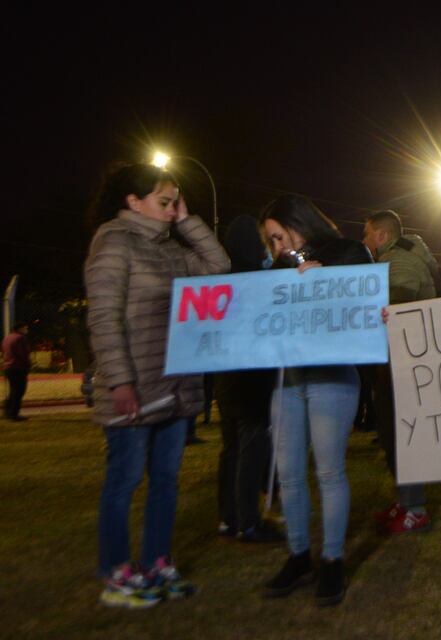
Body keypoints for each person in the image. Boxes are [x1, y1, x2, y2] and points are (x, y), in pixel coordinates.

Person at [85, 162, 230, 608]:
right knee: (124, 480)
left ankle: (156, 562)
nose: (170, 211)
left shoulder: (171, 250)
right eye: (163, 202)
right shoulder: (114, 242)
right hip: (132, 387)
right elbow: (104, 318)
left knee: (166, 480)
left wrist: (187, 219)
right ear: (133, 201)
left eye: (174, 202)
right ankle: (116, 572)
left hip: (174, 386)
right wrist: (121, 381)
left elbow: (218, 265)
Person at [259, 194, 372, 607]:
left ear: (297, 222)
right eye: (269, 242)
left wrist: (327, 281)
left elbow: (366, 302)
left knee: (329, 471)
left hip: (332, 375)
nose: (275, 247)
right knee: (288, 472)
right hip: (288, 379)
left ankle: (333, 559)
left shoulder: (349, 252)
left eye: (277, 236)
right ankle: (298, 554)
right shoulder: (277, 268)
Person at [362, 209, 438, 533]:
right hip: (396, 362)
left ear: (381, 235)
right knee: (394, 435)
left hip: (403, 363)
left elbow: (401, 310)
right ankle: (405, 500)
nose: (364, 241)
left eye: (367, 234)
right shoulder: (394, 260)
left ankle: (415, 507)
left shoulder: (400, 262)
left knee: (403, 436)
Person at [214, 215, 283, 543]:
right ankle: (248, 521)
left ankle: (228, 517)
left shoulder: (222, 282)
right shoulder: (260, 281)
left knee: (231, 448)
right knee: (251, 448)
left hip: (226, 378)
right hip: (252, 379)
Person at [3, 321, 31, 421]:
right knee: (19, 391)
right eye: (25, 328)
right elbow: (23, 353)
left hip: (8, 367)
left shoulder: (7, 337)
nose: (26, 330)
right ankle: (14, 414)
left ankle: (7, 411)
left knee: (13, 391)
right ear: (20, 329)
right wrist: (28, 364)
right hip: (18, 367)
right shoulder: (20, 338)